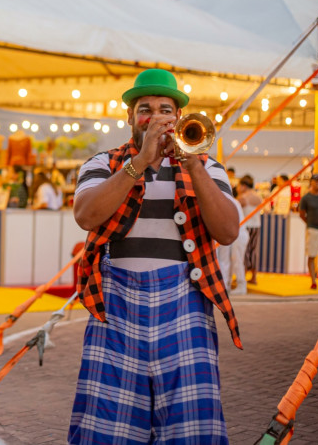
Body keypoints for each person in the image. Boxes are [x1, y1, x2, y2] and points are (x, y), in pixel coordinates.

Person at [71, 68, 241, 444]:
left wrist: (192, 162)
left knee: (190, 429)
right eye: (145, 109)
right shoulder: (103, 163)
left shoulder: (208, 166)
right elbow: (86, 215)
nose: (156, 117)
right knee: (107, 429)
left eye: (166, 109)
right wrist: (140, 161)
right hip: (114, 309)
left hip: (186, 306)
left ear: (178, 118)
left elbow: (228, 231)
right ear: (130, 118)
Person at [237, 174, 262, 284]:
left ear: (244, 186)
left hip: (246, 226)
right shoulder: (258, 196)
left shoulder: (243, 198)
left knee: (245, 251)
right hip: (256, 225)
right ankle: (254, 277)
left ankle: (244, 276)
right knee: (253, 251)